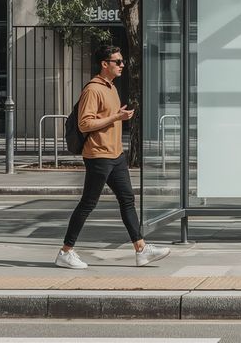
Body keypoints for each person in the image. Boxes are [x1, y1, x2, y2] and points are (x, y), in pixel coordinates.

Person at [55, 45, 170, 269]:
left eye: (122, 61)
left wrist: (118, 117)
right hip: (98, 155)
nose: (122, 65)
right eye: (117, 61)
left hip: (115, 154)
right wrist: (116, 117)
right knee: (88, 203)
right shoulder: (93, 89)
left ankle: (141, 249)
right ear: (104, 64)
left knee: (127, 199)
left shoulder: (111, 88)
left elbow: (109, 118)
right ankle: (65, 252)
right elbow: (84, 123)